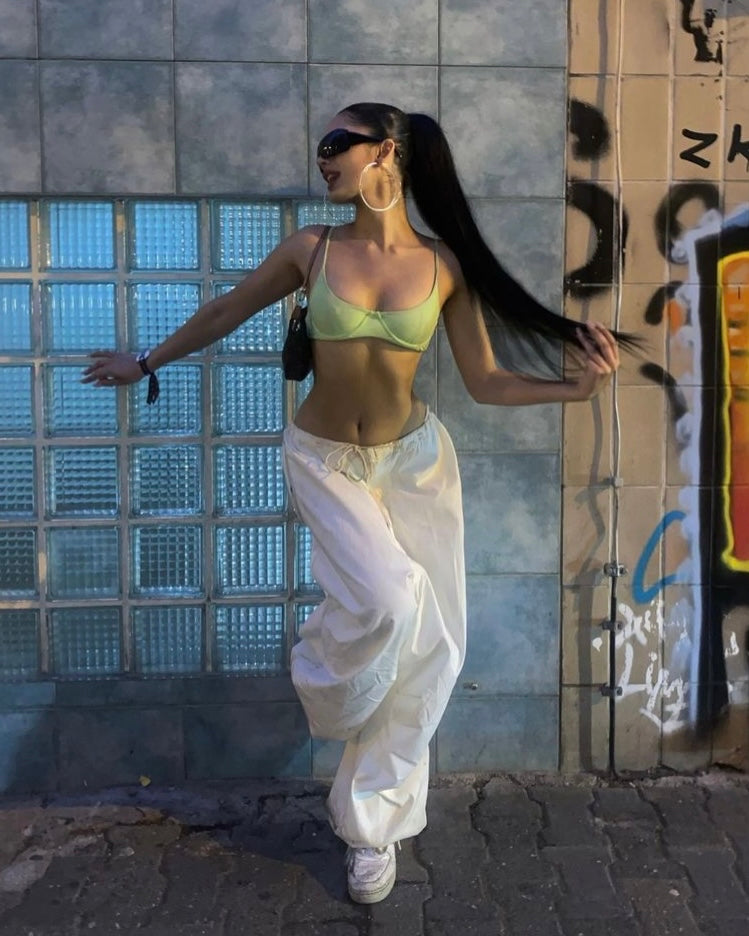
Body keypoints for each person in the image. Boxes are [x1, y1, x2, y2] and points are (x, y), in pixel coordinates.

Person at [82, 102, 631, 905]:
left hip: (415, 463)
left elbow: (484, 382)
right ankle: (323, 675)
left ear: (387, 153)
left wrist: (572, 390)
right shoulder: (310, 249)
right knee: (388, 601)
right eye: (322, 146)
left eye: (338, 143)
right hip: (325, 460)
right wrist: (146, 360)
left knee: (433, 647)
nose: (323, 157)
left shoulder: (442, 265)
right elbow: (225, 309)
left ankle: (370, 829)